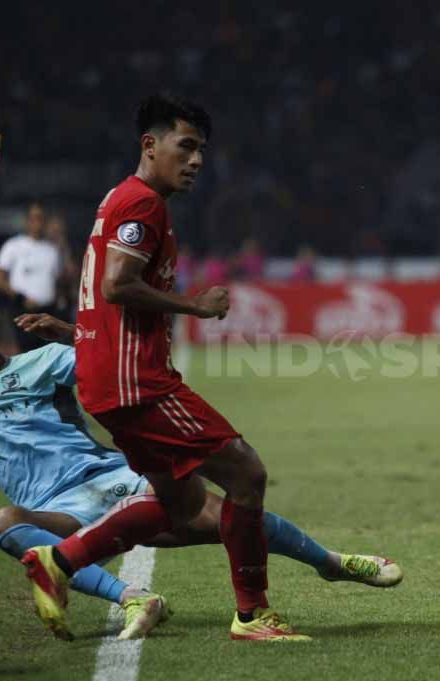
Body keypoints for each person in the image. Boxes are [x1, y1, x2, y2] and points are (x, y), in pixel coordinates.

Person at [0, 307, 401, 641]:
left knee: (234, 517)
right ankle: (136, 598)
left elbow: (108, 366)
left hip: (119, 483)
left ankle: (332, 564)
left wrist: (68, 334)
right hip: (61, 512)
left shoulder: (43, 363)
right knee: (4, 522)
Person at [22, 93, 324, 642]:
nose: (196, 161)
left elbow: (102, 304)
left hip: (109, 380)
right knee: (246, 473)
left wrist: (73, 335)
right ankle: (253, 615)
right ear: (150, 145)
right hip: (137, 384)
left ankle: (58, 562)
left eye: (200, 152)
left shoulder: (118, 198)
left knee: (179, 503)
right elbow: (116, 284)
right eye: (185, 147)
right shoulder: (142, 204)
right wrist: (194, 305)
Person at [0, 203, 62, 352]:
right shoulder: (13, 246)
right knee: (26, 354)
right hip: (22, 310)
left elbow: (59, 280)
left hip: (48, 312)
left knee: (47, 354)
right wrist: (20, 298)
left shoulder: (52, 249)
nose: (38, 222)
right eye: (34, 218)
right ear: (27, 221)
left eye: (41, 218)